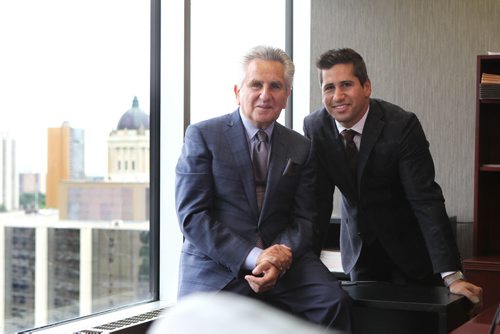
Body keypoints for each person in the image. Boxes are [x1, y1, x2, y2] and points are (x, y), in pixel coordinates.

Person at [175, 45, 352, 332]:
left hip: (285, 260)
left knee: (333, 303)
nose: (265, 94)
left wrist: (280, 255)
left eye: (276, 86)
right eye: (256, 84)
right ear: (238, 91)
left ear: (286, 97)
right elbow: (192, 217)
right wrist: (257, 256)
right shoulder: (203, 136)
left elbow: (306, 217)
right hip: (217, 263)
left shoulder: (300, 147)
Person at [303, 48, 483, 313]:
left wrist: (451, 275)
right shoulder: (315, 127)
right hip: (360, 251)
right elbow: (316, 204)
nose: (337, 96)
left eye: (346, 85)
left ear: (366, 87)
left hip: (412, 251)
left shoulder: (401, 125)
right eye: (329, 87)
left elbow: (425, 199)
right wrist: (306, 269)